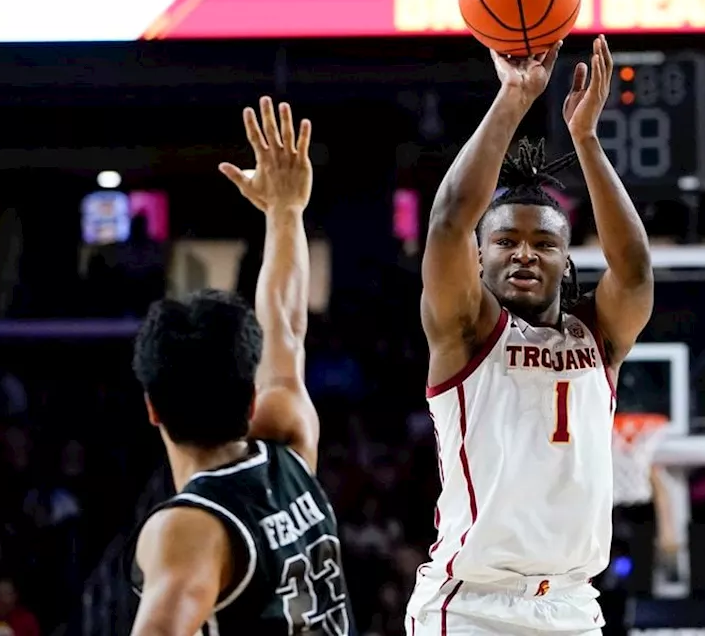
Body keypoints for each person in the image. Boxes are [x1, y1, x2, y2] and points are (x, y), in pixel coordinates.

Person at [407, 35, 655, 635]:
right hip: (471, 606)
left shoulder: (598, 336)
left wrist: (588, 142)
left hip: (571, 605)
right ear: (480, 260)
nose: (524, 254)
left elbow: (635, 270)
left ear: (565, 264)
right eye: (505, 242)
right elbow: (446, 221)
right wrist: (514, 97)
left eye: (544, 244)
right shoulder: (464, 333)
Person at [128, 97, 352, 635]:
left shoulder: (191, 526)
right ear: (251, 400)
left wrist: (284, 212)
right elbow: (285, 324)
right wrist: (285, 211)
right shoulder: (290, 446)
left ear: (152, 408)